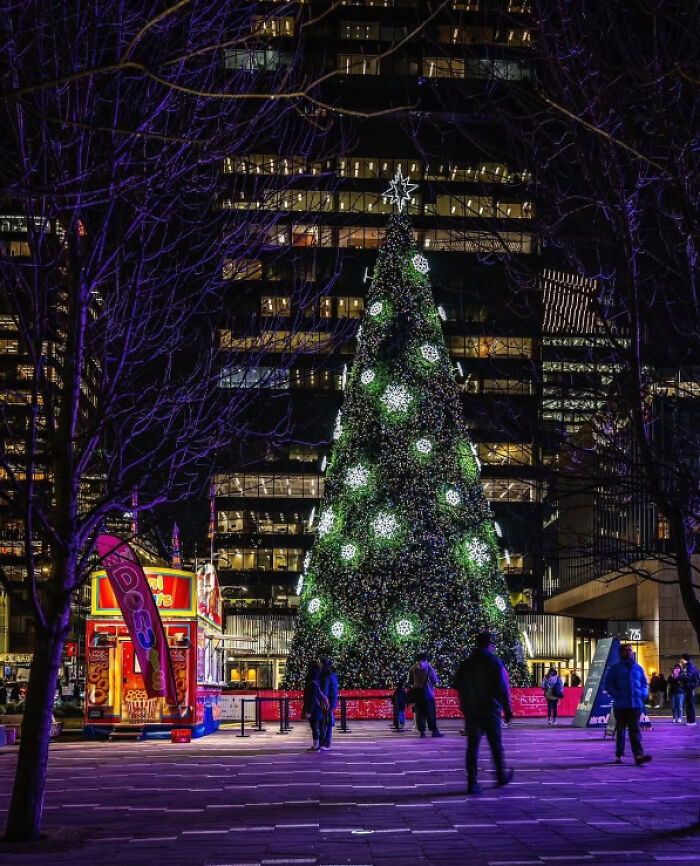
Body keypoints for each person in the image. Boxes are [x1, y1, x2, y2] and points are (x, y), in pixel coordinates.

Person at [454, 631, 514, 795]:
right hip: (490, 709)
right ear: (490, 644)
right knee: (495, 744)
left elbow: (458, 684)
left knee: (472, 747)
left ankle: (472, 782)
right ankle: (500, 776)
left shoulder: (467, 663)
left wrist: (465, 705)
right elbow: (502, 687)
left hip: (472, 710)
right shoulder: (494, 661)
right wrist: (507, 708)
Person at [603, 644, 652, 765]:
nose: (628, 652)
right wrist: (618, 695)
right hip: (621, 705)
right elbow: (608, 684)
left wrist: (642, 694)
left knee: (634, 730)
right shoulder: (615, 668)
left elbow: (644, 684)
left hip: (635, 705)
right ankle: (619, 755)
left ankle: (638, 755)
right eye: (625, 650)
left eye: (630, 650)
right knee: (620, 730)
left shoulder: (638, 668)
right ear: (621, 653)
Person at [408, 653, 443, 738]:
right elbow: (435, 680)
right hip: (428, 694)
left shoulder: (413, 668)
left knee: (420, 713)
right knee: (430, 713)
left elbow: (410, 681)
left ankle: (422, 732)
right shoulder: (429, 668)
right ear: (425, 659)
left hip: (418, 694)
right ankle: (434, 731)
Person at [301, 660, 327, 752]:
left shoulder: (312, 683)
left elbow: (311, 698)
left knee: (314, 727)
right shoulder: (316, 681)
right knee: (317, 727)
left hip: (314, 709)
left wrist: (308, 711)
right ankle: (318, 744)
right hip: (317, 709)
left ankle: (316, 746)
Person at [319, 658, 339, 751]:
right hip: (321, 701)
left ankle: (326, 742)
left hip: (328, 702)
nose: (319, 665)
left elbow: (334, 691)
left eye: (321, 663)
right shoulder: (320, 675)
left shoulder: (331, 676)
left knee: (328, 722)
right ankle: (322, 742)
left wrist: (333, 705)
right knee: (322, 722)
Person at [679, 653, 699, 725]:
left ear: (684, 659)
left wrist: (679, 677)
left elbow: (688, 677)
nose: (681, 660)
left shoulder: (689, 666)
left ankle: (691, 721)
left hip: (689, 687)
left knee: (690, 705)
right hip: (689, 687)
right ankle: (690, 721)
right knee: (689, 704)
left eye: (681, 658)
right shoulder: (688, 665)